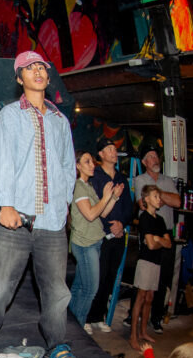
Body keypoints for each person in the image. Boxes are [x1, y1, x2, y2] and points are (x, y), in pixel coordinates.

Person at [0, 51, 77, 358]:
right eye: (29, 68)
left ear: (47, 78)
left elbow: (68, 167)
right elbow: (3, 162)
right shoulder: (9, 116)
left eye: (41, 67)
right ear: (19, 78)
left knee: (56, 291)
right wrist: (5, 203)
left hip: (52, 221)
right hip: (15, 218)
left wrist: (63, 205)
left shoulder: (60, 121)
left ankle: (57, 342)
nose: (37, 71)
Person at [68, 150, 120, 334]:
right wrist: (106, 197)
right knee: (91, 288)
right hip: (85, 243)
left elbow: (102, 213)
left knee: (80, 286)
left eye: (92, 162)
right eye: (87, 161)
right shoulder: (78, 186)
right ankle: (79, 328)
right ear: (78, 166)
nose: (92, 165)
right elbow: (90, 215)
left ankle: (71, 325)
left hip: (94, 241)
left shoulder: (88, 186)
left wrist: (112, 197)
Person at [132, 147, 180, 331]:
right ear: (144, 162)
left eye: (156, 156)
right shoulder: (139, 179)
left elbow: (177, 202)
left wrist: (156, 193)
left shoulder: (167, 180)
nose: (155, 159)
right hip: (149, 232)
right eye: (150, 156)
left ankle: (156, 318)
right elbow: (142, 205)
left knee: (162, 279)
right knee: (143, 286)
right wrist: (161, 197)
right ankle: (133, 320)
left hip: (165, 228)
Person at [86, 138, 130, 332]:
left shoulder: (122, 178)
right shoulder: (95, 176)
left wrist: (122, 224)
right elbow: (93, 207)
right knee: (97, 276)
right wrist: (109, 226)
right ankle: (87, 316)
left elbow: (130, 207)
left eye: (115, 149)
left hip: (119, 236)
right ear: (101, 154)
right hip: (100, 235)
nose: (114, 151)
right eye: (109, 149)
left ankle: (98, 316)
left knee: (111, 276)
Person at [129, 186, 171, 350]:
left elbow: (167, 244)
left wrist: (157, 238)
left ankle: (143, 332)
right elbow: (151, 245)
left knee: (149, 298)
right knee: (140, 297)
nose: (159, 199)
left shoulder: (160, 220)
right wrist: (158, 240)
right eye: (155, 196)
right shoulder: (144, 217)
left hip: (156, 263)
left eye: (159, 196)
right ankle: (133, 336)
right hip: (145, 262)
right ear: (146, 199)